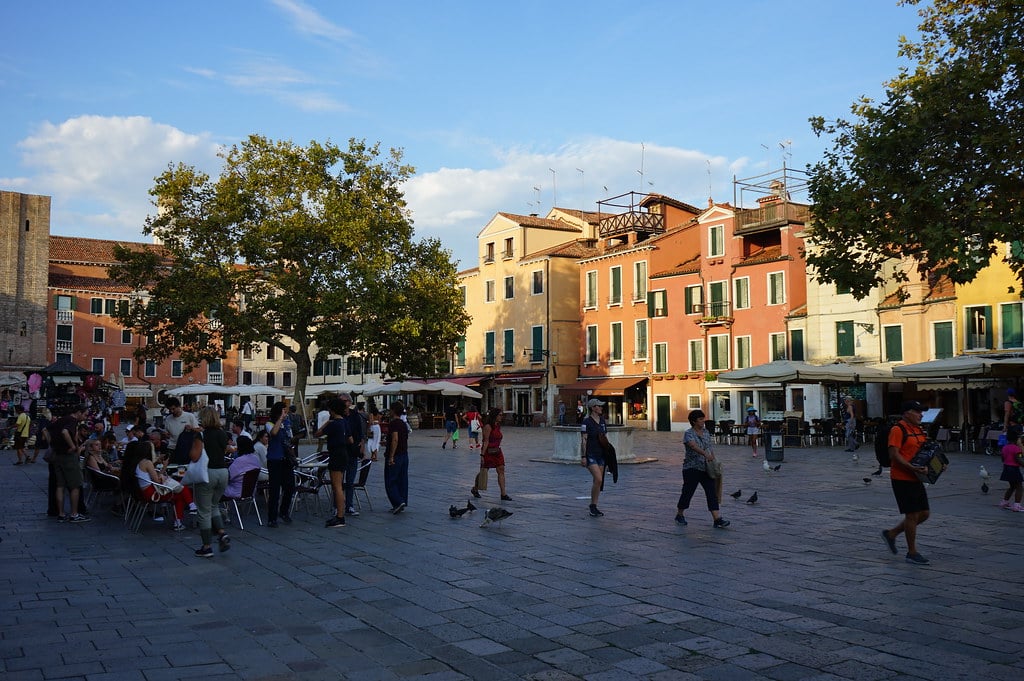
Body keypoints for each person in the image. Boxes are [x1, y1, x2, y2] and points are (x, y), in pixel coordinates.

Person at [881, 400, 939, 565]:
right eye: (917, 411)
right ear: (906, 413)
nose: (921, 414)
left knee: (924, 513)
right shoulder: (897, 430)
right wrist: (912, 468)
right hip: (902, 478)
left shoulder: (918, 429)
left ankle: (891, 534)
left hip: (916, 477)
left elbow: (924, 451)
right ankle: (912, 552)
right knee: (912, 515)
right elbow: (894, 455)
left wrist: (938, 463)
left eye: (922, 412)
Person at [122, 440, 194, 531]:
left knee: (180, 491)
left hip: (142, 493)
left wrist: (156, 463)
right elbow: (157, 480)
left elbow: (149, 473)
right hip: (152, 494)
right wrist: (164, 466)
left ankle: (188, 509)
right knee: (180, 493)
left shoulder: (137, 462)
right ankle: (183, 515)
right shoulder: (147, 462)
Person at [676, 409, 730, 528]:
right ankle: (680, 514)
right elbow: (693, 446)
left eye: (703, 418)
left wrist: (714, 461)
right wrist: (705, 454)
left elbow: (709, 447)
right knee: (687, 492)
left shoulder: (706, 432)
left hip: (706, 468)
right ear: (694, 421)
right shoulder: (688, 433)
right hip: (692, 468)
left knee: (711, 493)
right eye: (700, 419)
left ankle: (717, 519)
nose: (703, 421)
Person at [190, 406, 231, 556]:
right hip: (223, 472)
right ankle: (221, 533)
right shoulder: (222, 434)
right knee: (214, 505)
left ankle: (206, 546)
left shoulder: (201, 436)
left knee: (203, 511)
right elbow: (225, 450)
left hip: (208, 473)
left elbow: (194, 456)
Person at [315, 397, 352, 528]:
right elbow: (351, 440)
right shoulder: (344, 422)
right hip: (344, 454)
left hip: (335, 454)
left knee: (336, 487)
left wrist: (326, 423)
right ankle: (340, 513)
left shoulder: (333, 423)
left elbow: (317, 434)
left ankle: (340, 516)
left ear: (332, 409)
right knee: (339, 485)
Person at [50, 404, 90, 523]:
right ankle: (74, 513)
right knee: (75, 485)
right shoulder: (72, 421)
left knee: (60, 486)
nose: (85, 418)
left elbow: (46, 430)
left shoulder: (62, 419)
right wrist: (72, 446)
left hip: (58, 456)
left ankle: (61, 514)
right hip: (68, 456)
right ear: (78, 412)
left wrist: (53, 446)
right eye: (85, 415)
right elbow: (65, 432)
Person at [264, 401, 295, 527]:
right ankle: (272, 517)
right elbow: (274, 433)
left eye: (286, 412)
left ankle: (283, 511)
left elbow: (289, 439)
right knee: (275, 490)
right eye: (284, 411)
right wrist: (280, 420)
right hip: (275, 459)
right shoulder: (269, 423)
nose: (286, 414)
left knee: (290, 487)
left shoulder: (287, 424)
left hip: (286, 459)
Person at [471, 408, 512, 502]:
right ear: (495, 416)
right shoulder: (488, 427)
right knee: (484, 471)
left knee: (501, 470)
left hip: (497, 451)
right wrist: (482, 455)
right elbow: (486, 441)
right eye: (500, 415)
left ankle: (503, 494)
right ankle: (475, 488)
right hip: (488, 452)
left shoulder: (497, 426)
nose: (502, 417)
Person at [580, 398, 609, 517]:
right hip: (590, 454)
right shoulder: (586, 422)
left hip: (601, 454)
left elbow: (605, 437)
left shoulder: (602, 420)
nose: (601, 408)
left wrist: (609, 454)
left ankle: (594, 505)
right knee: (598, 479)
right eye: (599, 406)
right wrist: (583, 456)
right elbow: (583, 440)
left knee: (597, 481)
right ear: (593, 408)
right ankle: (592, 506)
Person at [340, 393, 365, 517]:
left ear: (350, 402)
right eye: (341, 401)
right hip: (341, 451)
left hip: (353, 451)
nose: (344, 403)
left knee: (350, 481)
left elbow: (360, 432)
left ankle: (349, 505)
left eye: (346, 401)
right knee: (339, 482)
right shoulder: (337, 415)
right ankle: (337, 506)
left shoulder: (355, 415)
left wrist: (361, 445)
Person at [384, 400, 409, 514]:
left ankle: (397, 501)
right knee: (402, 479)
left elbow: (395, 439)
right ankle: (402, 500)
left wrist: (391, 456)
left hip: (396, 455)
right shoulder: (403, 424)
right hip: (404, 454)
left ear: (393, 411)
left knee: (391, 480)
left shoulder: (394, 423)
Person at [163, 397, 198, 464]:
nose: (172, 411)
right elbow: (167, 433)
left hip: (186, 448)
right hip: (172, 448)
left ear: (179, 406)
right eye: (170, 410)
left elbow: (199, 430)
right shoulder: (168, 419)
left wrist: (191, 428)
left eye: (173, 409)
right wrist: (166, 435)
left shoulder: (189, 416)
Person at [998, 425, 1023, 511]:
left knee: (1012, 486)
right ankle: (1016, 505)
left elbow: (1002, 458)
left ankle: (1005, 501)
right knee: (1019, 486)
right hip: (1014, 469)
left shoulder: (1005, 448)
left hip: (1006, 468)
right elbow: (1019, 459)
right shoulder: (1017, 449)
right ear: (1017, 439)